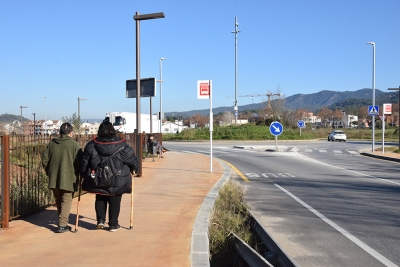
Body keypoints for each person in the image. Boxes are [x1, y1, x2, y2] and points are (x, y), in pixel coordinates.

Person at [80, 121, 139, 232]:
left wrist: (82, 173)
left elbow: (84, 161)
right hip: (118, 178)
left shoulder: (91, 145)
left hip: (98, 177)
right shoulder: (123, 145)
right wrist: (136, 169)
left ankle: (100, 221)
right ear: (113, 131)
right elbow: (132, 160)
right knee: (115, 198)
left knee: (100, 196)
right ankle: (113, 224)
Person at [42, 122, 82, 233]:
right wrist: (80, 174)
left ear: (60, 132)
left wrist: (49, 171)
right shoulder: (75, 145)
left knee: (59, 200)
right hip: (69, 178)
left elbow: (44, 160)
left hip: (54, 177)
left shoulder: (52, 144)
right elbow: (80, 163)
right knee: (67, 200)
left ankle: (62, 222)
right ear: (71, 133)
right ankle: (62, 225)